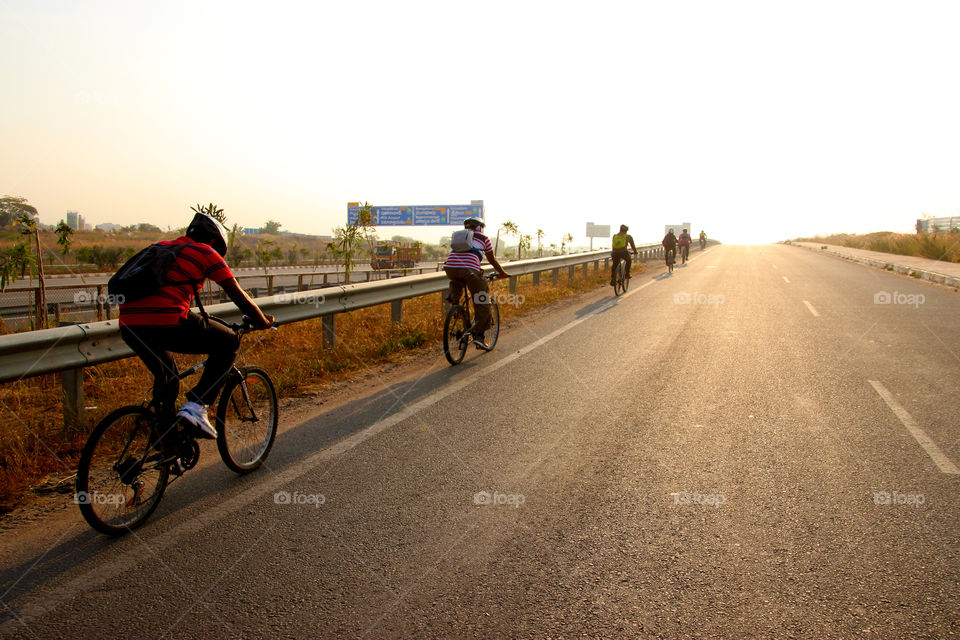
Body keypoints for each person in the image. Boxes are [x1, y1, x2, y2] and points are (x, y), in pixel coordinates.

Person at [119, 211, 274, 439]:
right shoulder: (205, 251)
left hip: (129, 325)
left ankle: (164, 441)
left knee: (168, 378)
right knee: (229, 341)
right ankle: (196, 407)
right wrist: (262, 321)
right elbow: (239, 296)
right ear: (213, 241)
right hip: (167, 320)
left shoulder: (161, 247)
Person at [443, 216, 509, 349]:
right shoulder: (484, 239)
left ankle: (456, 308)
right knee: (482, 300)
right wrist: (502, 272)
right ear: (480, 227)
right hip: (470, 271)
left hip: (450, 268)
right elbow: (492, 260)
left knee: (457, 281)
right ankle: (479, 336)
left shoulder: (459, 237)